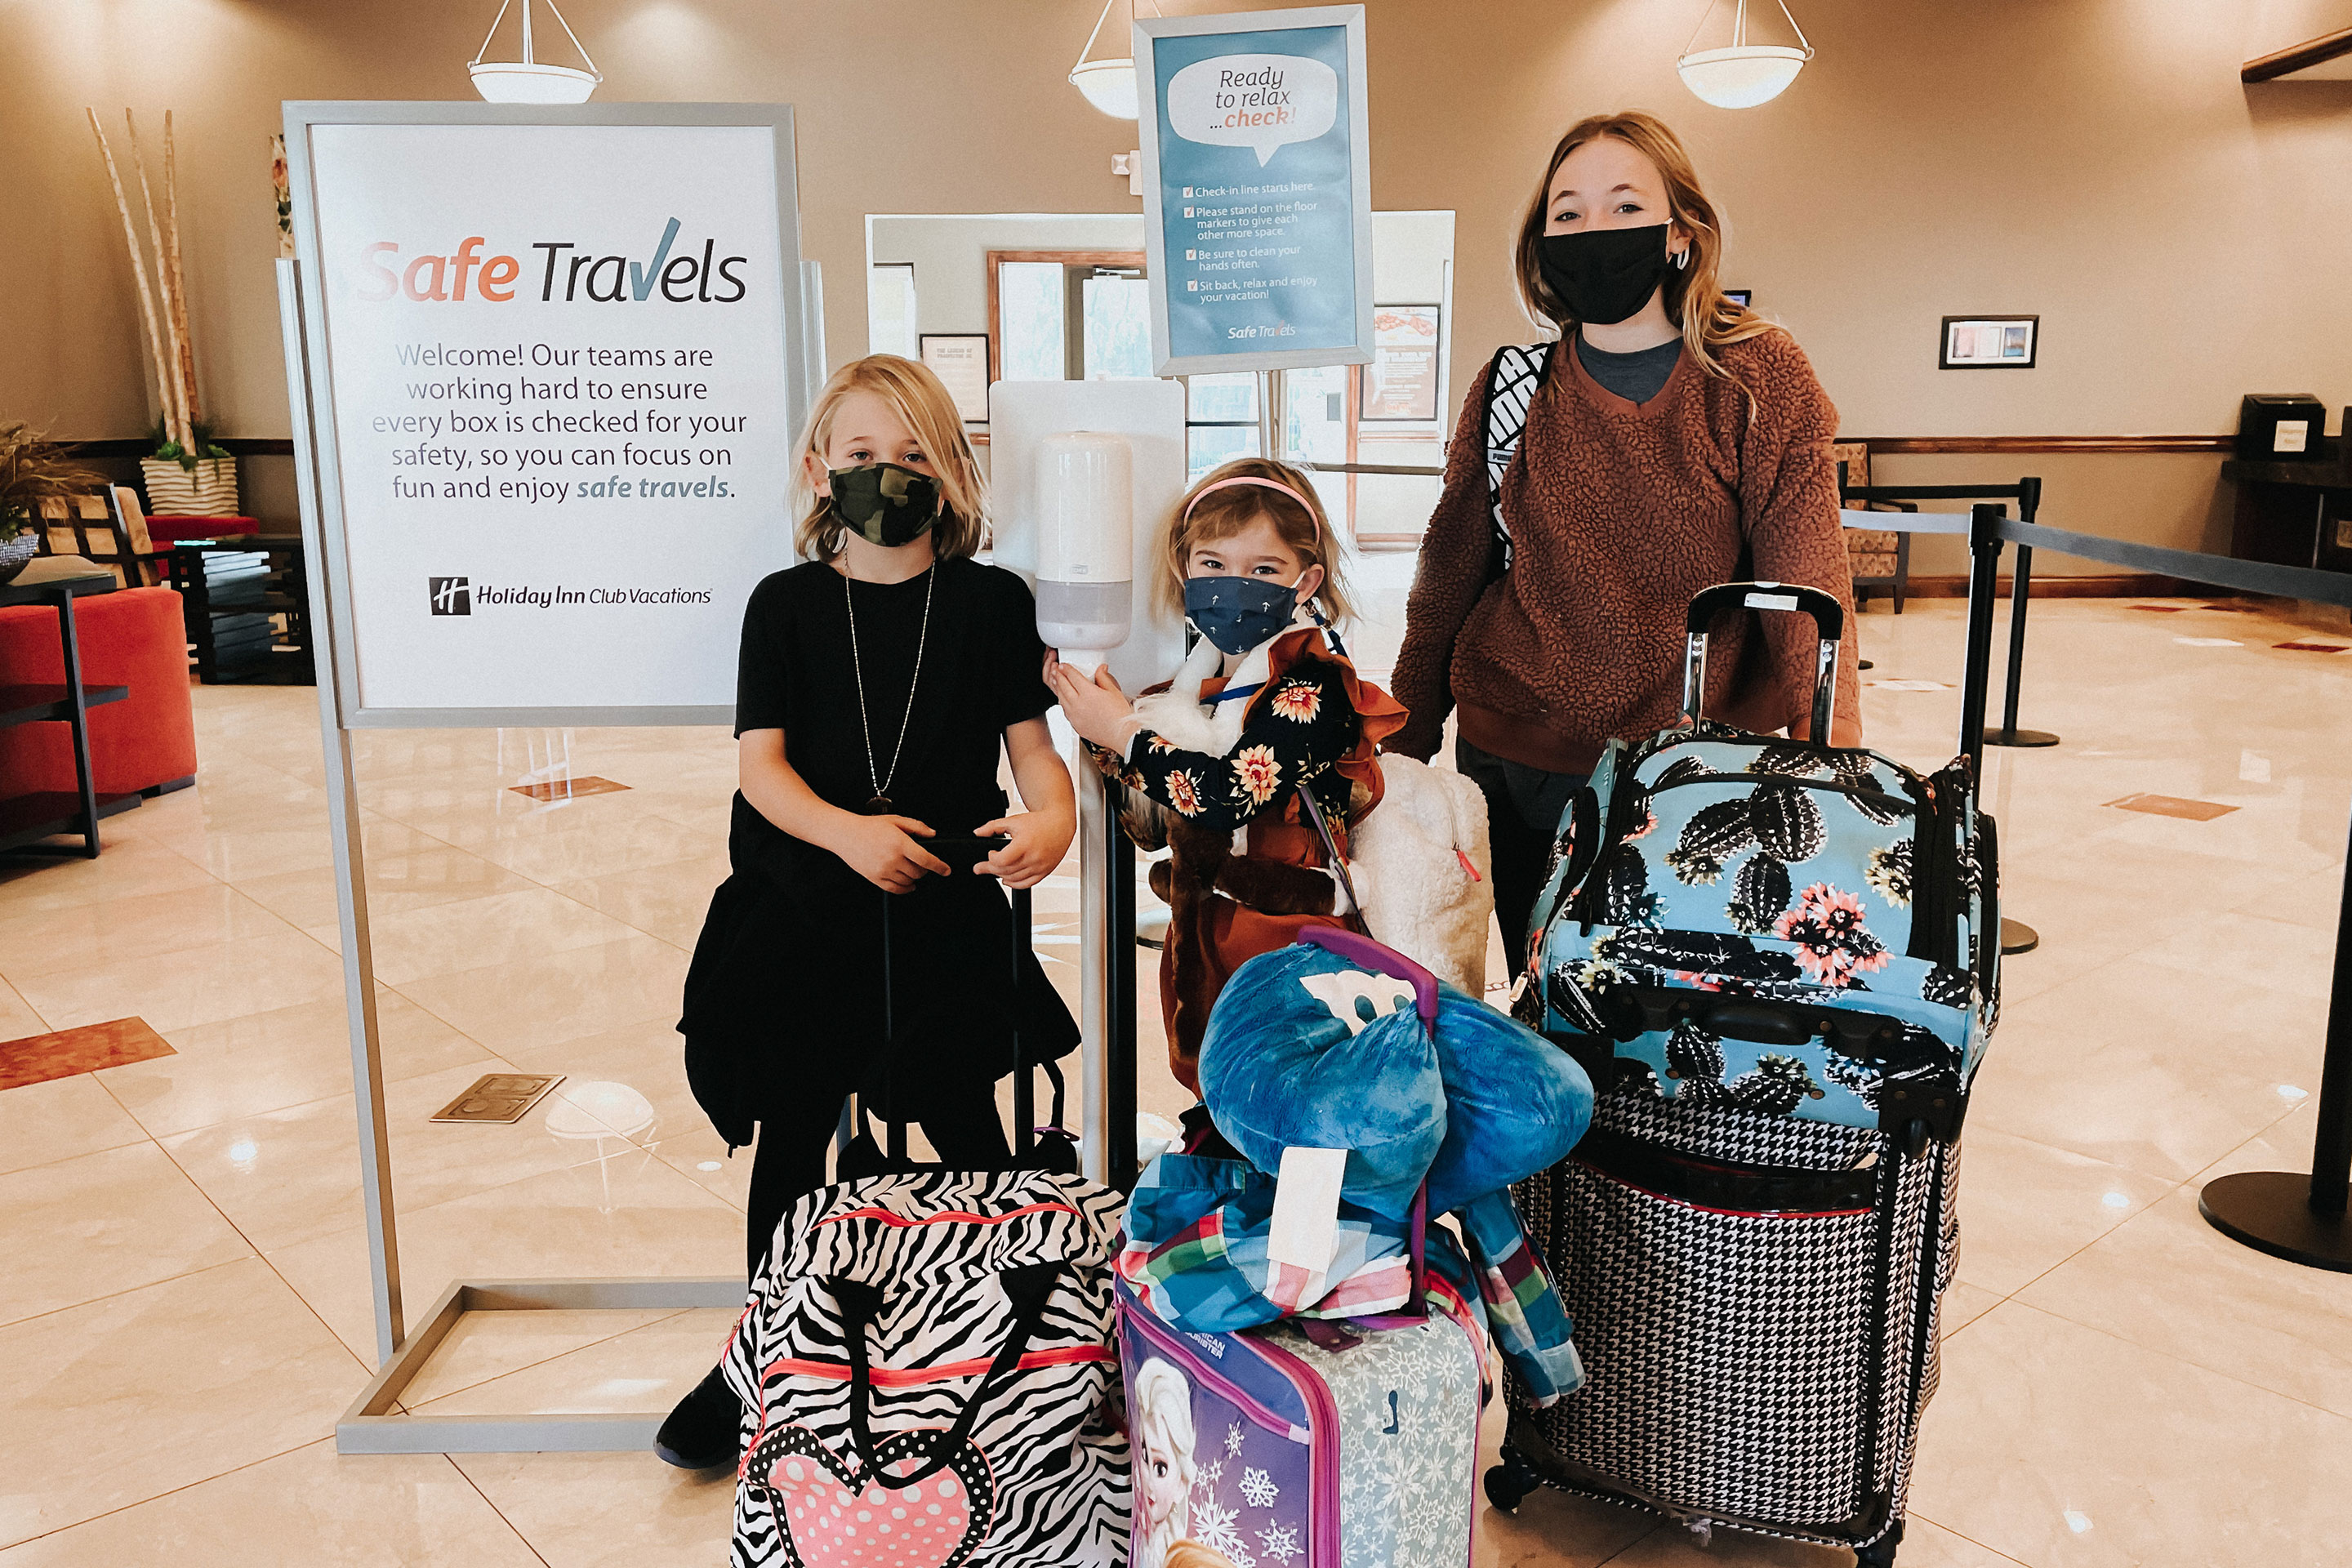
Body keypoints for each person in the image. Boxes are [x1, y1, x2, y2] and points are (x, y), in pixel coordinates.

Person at [657, 354, 1078, 1468]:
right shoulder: (786, 606)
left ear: (951, 470)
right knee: (794, 1132)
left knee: (966, 1126)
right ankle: (760, 1358)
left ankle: (1015, 1337)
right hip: (800, 904)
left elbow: (1035, 757)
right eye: (859, 455)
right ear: (815, 470)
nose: (885, 475)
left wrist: (1055, 821)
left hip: (940, 908)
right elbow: (762, 769)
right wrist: (847, 832)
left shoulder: (991, 604)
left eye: (912, 456)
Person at [1388, 109, 1861, 959]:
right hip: (1522, 755)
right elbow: (1447, 578)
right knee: (1549, 997)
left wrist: (1837, 762)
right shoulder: (1513, 387)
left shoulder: (1758, 377)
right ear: (1542, 240)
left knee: (1677, 1017)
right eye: (1567, 213)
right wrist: (1400, 750)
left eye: (1623, 206)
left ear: (1680, 233)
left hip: (1699, 767)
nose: (1593, 230)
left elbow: (1809, 582)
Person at [1049, 457, 1403, 1089]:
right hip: (1205, 935)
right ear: (1185, 568)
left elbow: (1222, 798)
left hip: (1290, 939)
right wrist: (1104, 722)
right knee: (1217, 1096)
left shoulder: (1314, 687)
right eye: (1212, 564)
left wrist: (1124, 735)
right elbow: (1154, 828)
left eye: (1263, 569)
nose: (1232, 584)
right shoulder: (1195, 688)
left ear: (1306, 580)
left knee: (1291, 1099)